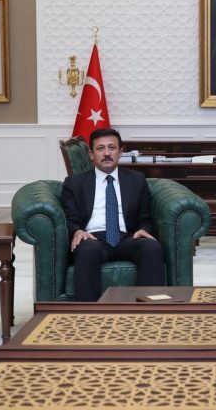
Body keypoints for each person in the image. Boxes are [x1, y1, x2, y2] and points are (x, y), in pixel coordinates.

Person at [60, 127, 166, 301]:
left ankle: (149, 309)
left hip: (127, 238)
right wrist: (77, 231)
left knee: (151, 247)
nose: (107, 153)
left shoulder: (137, 180)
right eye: (100, 148)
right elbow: (69, 218)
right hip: (92, 238)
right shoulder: (74, 183)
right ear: (91, 154)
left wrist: (144, 229)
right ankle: (89, 312)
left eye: (112, 148)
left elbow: (145, 217)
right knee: (87, 250)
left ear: (120, 152)